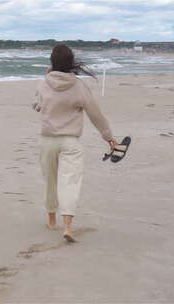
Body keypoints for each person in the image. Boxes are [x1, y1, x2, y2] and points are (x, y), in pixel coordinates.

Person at [32, 44, 116, 242]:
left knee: (50, 181)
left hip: (47, 140)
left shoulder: (43, 83)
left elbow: (37, 106)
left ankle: (51, 220)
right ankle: (68, 226)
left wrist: (47, 79)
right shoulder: (78, 86)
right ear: (71, 62)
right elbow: (95, 114)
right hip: (71, 141)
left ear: (52, 62)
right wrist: (108, 136)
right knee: (69, 182)